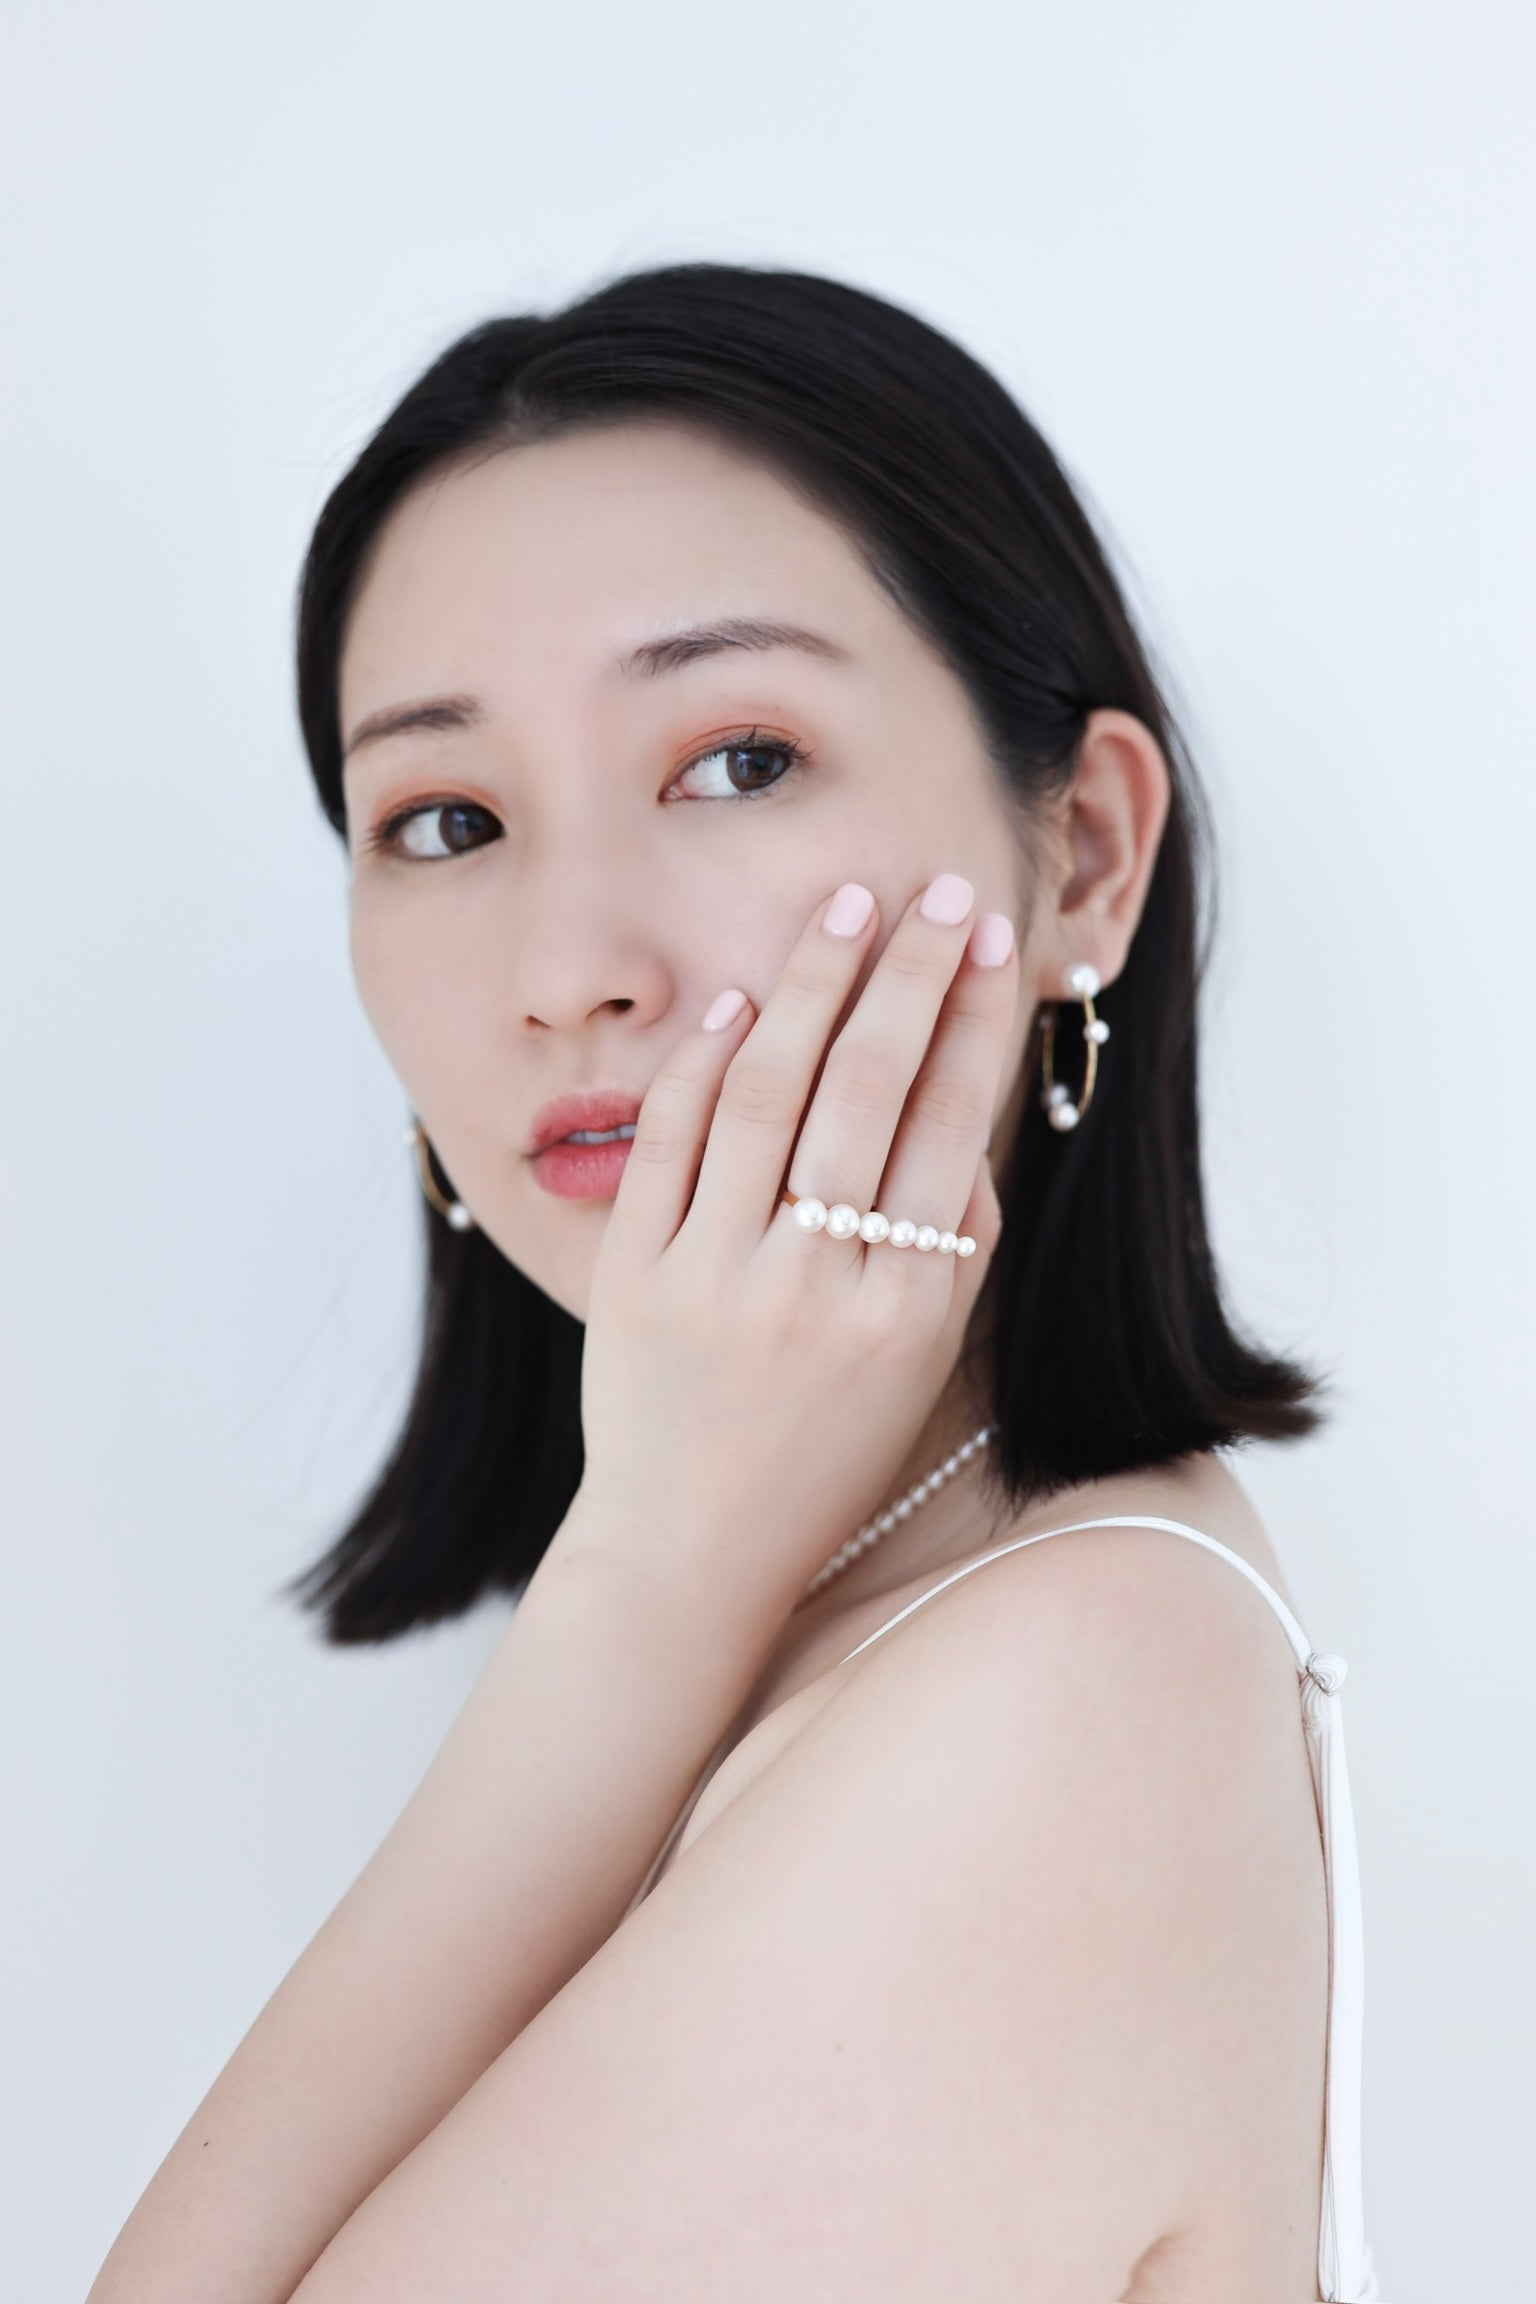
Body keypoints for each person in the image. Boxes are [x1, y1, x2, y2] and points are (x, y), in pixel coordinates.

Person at [88, 262, 1383, 2302]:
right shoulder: (870, 1612)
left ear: (1087, 860)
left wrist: (653, 1574)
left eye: (736, 760)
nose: (572, 960)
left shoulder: (1056, 1690)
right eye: (443, 817)